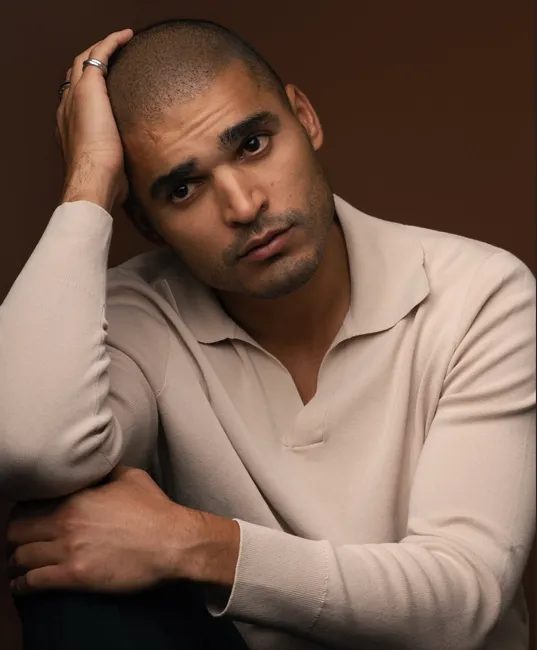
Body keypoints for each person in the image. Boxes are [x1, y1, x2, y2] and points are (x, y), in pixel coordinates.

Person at [0, 18, 535, 650]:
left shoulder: (479, 293)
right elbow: (28, 451)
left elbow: (460, 598)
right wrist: (87, 182)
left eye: (253, 144)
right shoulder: (134, 315)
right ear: (144, 222)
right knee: (71, 572)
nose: (244, 205)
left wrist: (190, 543)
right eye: (183, 188)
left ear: (304, 118)